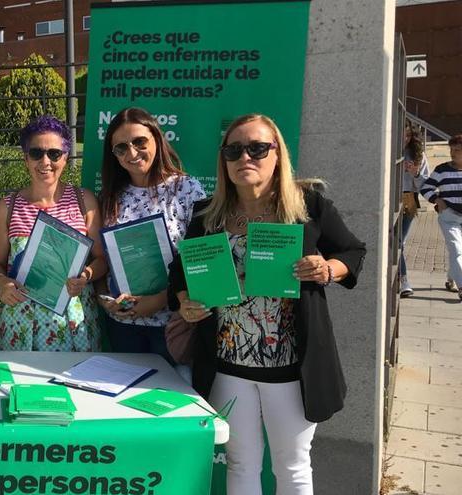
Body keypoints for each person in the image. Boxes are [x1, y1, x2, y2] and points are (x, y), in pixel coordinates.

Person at [169, 114, 366, 494]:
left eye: (257, 148)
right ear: (223, 161)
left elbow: (353, 251)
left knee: (291, 465)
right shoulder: (207, 215)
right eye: (234, 149)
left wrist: (327, 268)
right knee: (240, 463)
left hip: (292, 368)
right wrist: (184, 302)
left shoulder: (308, 206)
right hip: (226, 365)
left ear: (278, 155)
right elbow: (179, 273)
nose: (245, 157)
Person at [97, 107, 205, 371]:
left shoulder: (187, 189)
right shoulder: (111, 196)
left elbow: (201, 259)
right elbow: (101, 258)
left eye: (139, 142)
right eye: (121, 148)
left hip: (172, 324)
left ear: (156, 138)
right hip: (123, 325)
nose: (132, 153)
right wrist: (105, 298)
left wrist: (157, 301)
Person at [0, 115, 106, 351]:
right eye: (36, 153)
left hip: (74, 322)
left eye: (54, 153)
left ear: (65, 158)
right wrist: (2, 283)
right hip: (20, 322)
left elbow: (102, 259)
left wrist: (86, 275)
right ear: (25, 158)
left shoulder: (84, 201)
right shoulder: (8, 207)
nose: (45, 161)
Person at [420, 134, 462, 301]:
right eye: (451, 149)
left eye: (457, 150)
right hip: (449, 218)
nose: (453, 153)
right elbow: (426, 188)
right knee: (457, 250)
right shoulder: (441, 169)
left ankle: (452, 277)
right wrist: (437, 200)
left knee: (458, 252)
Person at [399, 120, 430, 297]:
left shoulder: (417, 154)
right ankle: (400, 278)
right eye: (402, 134)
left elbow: (424, 186)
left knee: (399, 243)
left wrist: (415, 173)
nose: (405, 138)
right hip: (388, 199)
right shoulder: (389, 148)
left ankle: (404, 280)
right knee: (394, 243)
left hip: (408, 199)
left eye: (408, 135)